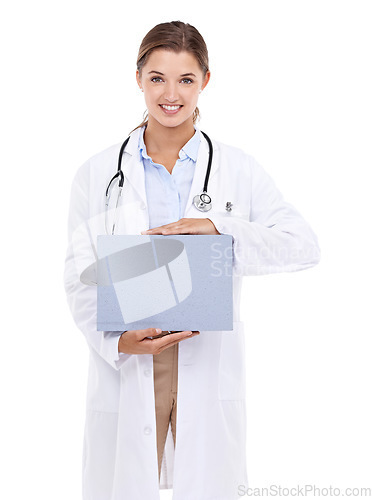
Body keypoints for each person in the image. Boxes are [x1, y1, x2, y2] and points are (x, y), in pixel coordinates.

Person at [64, 20, 320, 500]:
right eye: (157, 77)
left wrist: (220, 227)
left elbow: (302, 245)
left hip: (205, 361)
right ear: (138, 78)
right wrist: (117, 340)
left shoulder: (238, 170)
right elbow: (78, 274)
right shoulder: (97, 173)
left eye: (185, 79)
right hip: (132, 360)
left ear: (205, 79)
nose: (171, 94)